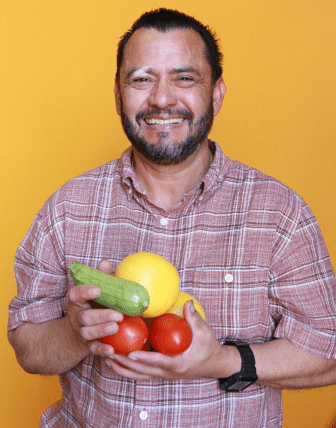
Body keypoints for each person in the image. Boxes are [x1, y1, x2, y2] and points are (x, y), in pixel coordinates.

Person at [7, 8, 336, 428]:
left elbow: (329, 355)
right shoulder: (68, 208)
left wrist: (222, 361)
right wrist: (75, 331)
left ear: (216, 93)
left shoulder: (280, 215)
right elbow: (27, 348)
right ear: (117, 94)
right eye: (142, 79)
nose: (162, 98)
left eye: (184, 78)